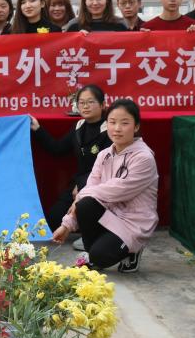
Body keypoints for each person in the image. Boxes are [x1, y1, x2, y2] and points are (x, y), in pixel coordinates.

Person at [52, 99, 158, 273]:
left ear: (136, 126)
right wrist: (67, 225)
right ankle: (97, 251)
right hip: (109, 215)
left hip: (132, 222)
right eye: (112, 122)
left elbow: (118, 190)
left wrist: (81, 195)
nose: (117, 128)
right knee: (85, 205)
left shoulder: (143, 158)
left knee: (99, 255)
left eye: (124, 123)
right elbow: (92, 187)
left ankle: (133, 250)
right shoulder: (104, 155)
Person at [30, 84, 111, 233]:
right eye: (81, 102)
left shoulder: (110, 130)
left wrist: (83, 185)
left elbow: (108, 167)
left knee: (87, 211)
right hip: (78, 184)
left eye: (90, 102)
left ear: (102, 104)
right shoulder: (78, 127)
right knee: (53, 219)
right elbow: (57, 149)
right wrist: (37, 129)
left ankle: (92, 235)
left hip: (101, 186)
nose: (85, 106)